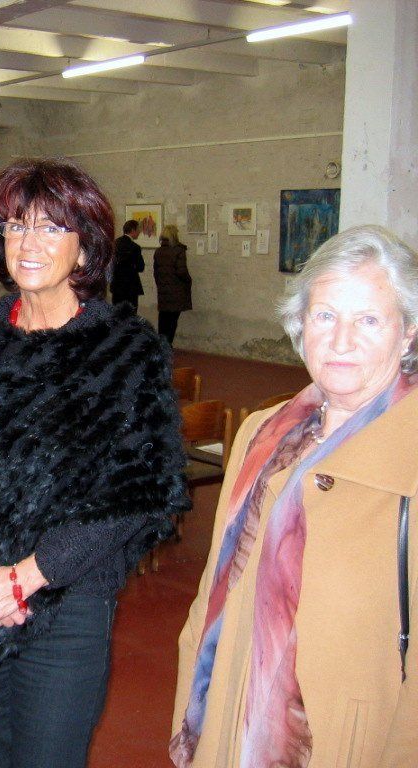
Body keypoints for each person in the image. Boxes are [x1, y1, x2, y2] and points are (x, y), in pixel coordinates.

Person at [0, 157, 187, 768]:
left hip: (66, 600)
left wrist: (23, 578)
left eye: (52, 227)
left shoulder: (124, 352)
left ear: (86, 247)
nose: (29, 243)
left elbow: (139, 495)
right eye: (16, 225)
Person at [171, 225, 418, 768]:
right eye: (325, 316)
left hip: (342, 744)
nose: (341, 341)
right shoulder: (261, 435)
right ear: (300, 325)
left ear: (407, 334)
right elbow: (216, 586)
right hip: (228, 718)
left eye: (369, 320)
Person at [154, 223, 192, 345]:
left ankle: (161, 346)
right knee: (172, 321)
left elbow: (156, 273)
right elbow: (182, 272)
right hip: (176, 291)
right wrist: (189, 281)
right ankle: (167, 346)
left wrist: (161, 285)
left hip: (163, 291)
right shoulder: (178, 251)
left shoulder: (158, 251)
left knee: (163, 320)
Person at [111, 219, 145, 310]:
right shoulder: (135, 247)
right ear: (133, 230)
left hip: (117, 286)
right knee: (130, 314)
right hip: (131, 286)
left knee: (117, 314)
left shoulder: (114, 244)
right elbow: (141, 267)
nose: (139, 232)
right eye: (138, 230)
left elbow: (111, 265)